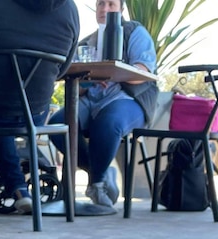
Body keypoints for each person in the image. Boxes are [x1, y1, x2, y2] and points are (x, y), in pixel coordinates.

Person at [0, 0, 79, 215]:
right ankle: (19, 189)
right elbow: (63, 68)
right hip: (35, 113)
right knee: (8, 106)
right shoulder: (69, 9)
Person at [49, 0, 158, 208]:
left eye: (111, 4)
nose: (105, 9)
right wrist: (88, 80)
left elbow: (143, 71)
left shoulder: (135, 31)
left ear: (121, 9)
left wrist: (112, 73)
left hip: (127, 98)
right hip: (91, 100)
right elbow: (76, 86)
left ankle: (97, 184)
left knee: (108, 122)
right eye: (101, 4)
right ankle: (100, 169)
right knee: (57, 125)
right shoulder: (86, 43)